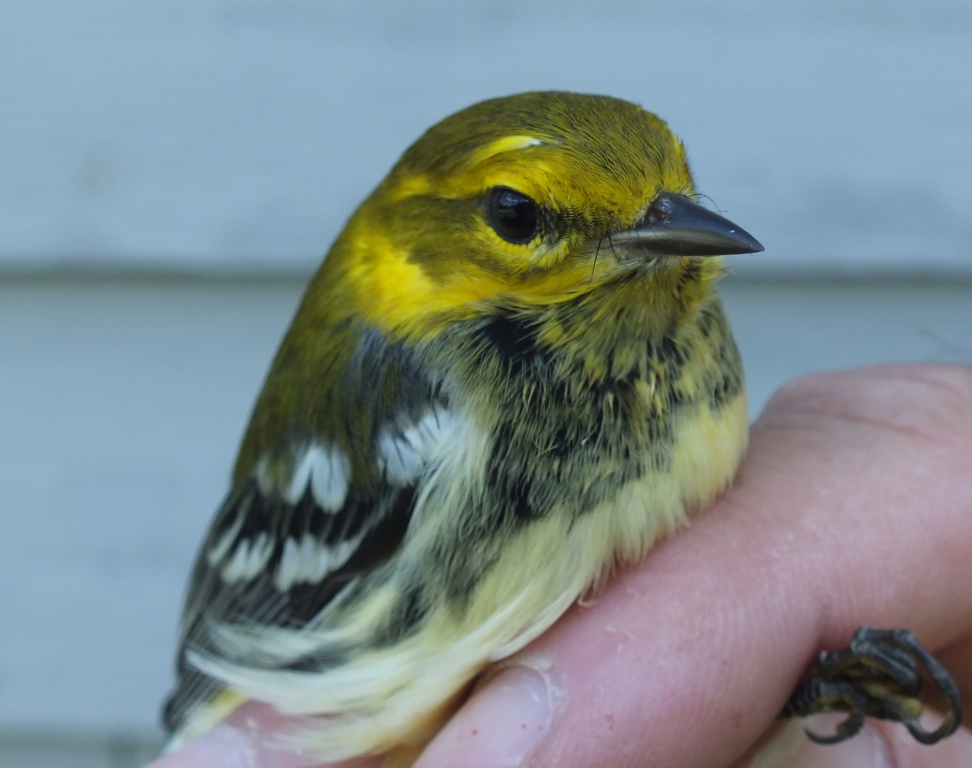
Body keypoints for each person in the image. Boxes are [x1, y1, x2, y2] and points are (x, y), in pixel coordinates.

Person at [147, 364, 972, 768]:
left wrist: (796, 681)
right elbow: (251, 602)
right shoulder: (418, 392)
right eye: (522, 221)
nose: (655, 242)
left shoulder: (679, 347)